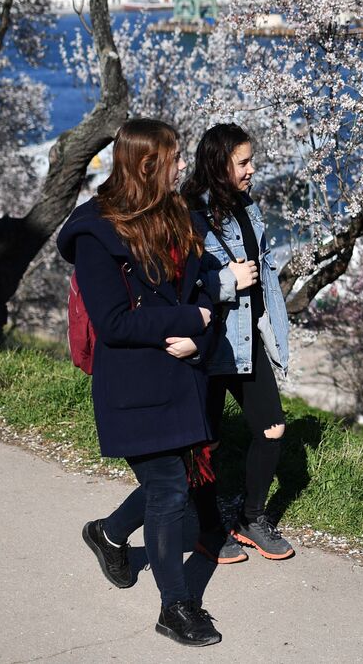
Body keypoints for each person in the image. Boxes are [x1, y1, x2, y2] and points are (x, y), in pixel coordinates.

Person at [57, 118, 225, 647]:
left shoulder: (180, 215)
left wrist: (202, 330)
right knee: (171, 488)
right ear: (148, 164)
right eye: (174, 158)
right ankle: (176, 607)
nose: (182, 167)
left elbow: (202, 288)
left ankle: (107, 534)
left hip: (181, 373)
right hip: (132, 385)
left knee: (166, 483)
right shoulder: (95, 232)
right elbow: (113, 323)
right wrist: (188, 323)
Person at [182, 122, 295, 561]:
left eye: (251, 161)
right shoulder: (191, 211)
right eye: (243, 162)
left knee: (272, 428)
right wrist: (227, 282)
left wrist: (276, 331)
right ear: (219, 163)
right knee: (204, 442)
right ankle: (209, 528)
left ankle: (251, 517)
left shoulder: (248, 207)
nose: (252, 169)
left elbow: (265, 274)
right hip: (210, 340)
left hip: (247, 337)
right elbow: (184, 279)